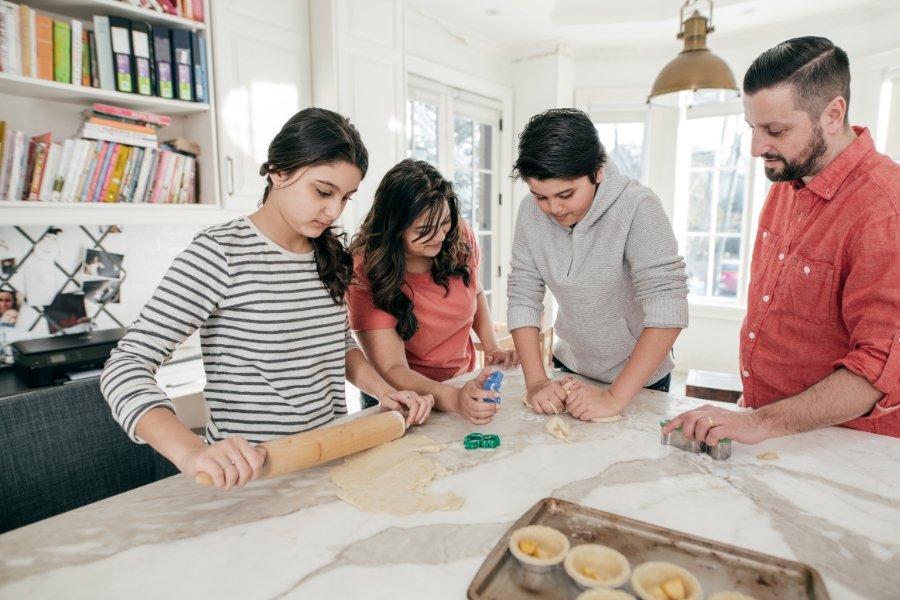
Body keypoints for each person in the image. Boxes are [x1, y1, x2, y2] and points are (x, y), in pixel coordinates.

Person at [101, 108, 434, 490]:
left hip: (330, 462)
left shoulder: (331, 257)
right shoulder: (220, 253)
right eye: (323, 191)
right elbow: (125, 366)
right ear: (278, 170)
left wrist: (385, 392)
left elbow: (337, 345)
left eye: (346, 197)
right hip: (252, 478)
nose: (334, 211)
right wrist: (191, 452)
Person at [665, 36, 900, 444]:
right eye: (752, 128)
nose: (757, 148)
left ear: (833, 113)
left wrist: (761, 423)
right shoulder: (789, 178)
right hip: (773, 426)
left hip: (846, 447)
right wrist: (754, 414)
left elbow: (877, 370)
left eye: (775, 130)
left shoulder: (885, 210)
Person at [508, 108, 689, 420]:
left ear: (598, 170)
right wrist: (536, 382)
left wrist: (614, 398)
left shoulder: (638, 207)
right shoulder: (529, 212)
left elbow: (667, 309)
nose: (553, 208)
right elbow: (523, 295)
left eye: (566, 194)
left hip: (639, 380)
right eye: (541, 196)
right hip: (571, 368)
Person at [347, 159, 517, 425]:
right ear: (394, 228)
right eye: (424, 230)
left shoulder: (457, 236)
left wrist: (491, 345)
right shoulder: (365, 270)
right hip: (404, 397)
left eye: (445, 222)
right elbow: (391, 368)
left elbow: (474, 291)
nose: (439, 236)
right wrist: (454, 398)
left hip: (458, 383)